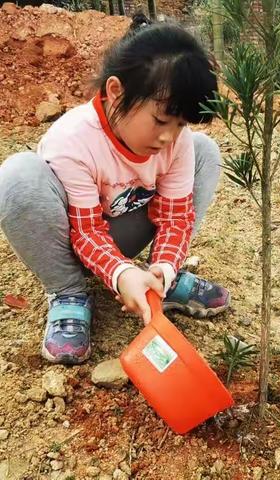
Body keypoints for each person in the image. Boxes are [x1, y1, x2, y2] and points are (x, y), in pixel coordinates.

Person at [0, 19, 230, 365]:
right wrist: (122, 274)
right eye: (161, 120)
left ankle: (159, 286)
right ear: (115, 92)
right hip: (73, 238)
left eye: (180, 123)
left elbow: (176, 215)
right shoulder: (74, 140)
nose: (169, 137)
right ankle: (69, 294)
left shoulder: (176, 141)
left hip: (123, 229)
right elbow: (87, 229)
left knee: (204, 150)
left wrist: (162, 269)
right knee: (17, 176)